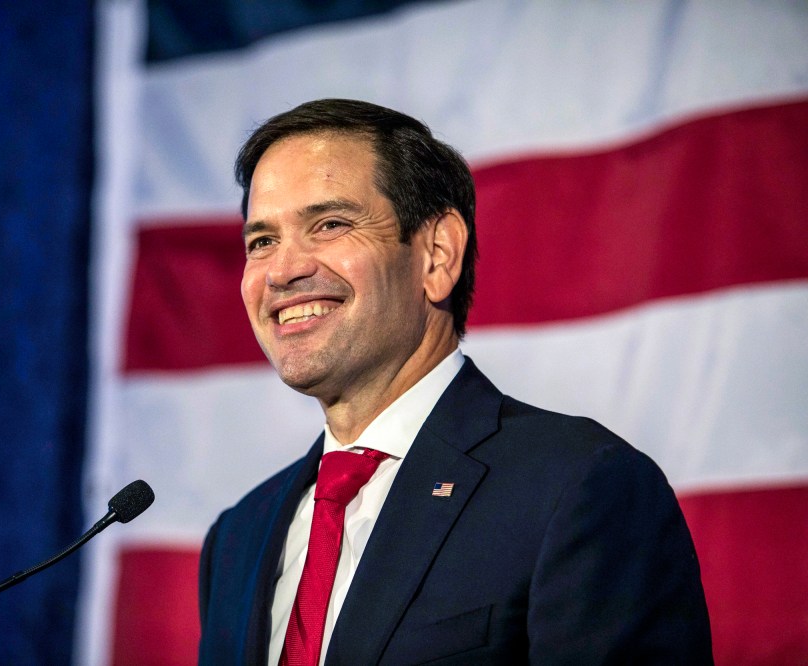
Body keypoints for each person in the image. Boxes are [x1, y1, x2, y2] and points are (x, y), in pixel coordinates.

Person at [197, 98, 712, 664]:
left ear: (437, 255)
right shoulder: (237, 539)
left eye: (330, 225)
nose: (281, 270)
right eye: (261, 241)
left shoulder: (577, 487)